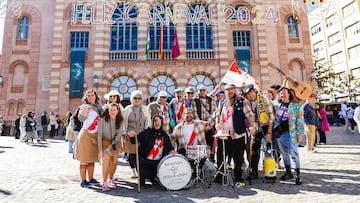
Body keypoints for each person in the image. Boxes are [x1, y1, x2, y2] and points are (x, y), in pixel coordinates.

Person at [215, 84, 255, 187]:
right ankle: (221, 176)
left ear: (235, 90)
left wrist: (252, 126)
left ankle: (238, 177)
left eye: (232, 89)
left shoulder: (242, 101)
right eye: (228, 90)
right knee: (221, 156)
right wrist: (218, 125)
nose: (230, 91)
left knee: (238, 158)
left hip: (238, 134)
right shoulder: (222, 102)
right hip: (225, 134)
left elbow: (250, 115)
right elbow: (219, 116)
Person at [129, 114, 175, 188]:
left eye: (159, 121)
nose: (157, 123)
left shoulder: (164, 135)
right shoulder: (146, 132)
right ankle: (142, 180)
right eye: (155, 121)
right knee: (135, 158)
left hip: (158, 162)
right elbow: (135, 140)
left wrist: (172, 151)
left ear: (162, 122)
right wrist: (131, 136)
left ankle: (154, 178)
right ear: (152, 122)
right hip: (146, 160)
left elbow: (169, 147)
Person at [242, 84, 275, 180]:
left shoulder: (264, 100)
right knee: (253, 151)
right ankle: (254, 171)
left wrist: (269, 133)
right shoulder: (247, 103)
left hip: (266, 127)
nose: (250, 95)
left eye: (251, 93)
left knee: (268, 150)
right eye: (248, 94)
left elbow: (271, 118)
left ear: (255, 92)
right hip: (255, 128)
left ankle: (269, 171)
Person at [273, 87, 305, 185]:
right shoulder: (277, 105)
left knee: (294, 154)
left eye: (284, 93)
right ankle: (288, 172)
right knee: (284, 153)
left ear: (289, 94)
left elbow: (300, 121)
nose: (282, 95)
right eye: (281, 93)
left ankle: (298, 175)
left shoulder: (295, 106)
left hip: (291, 134)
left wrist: (300, 134)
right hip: (280, 134)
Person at [74, 89, 103, 188]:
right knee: (84, 159)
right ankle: (83, 180)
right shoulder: (84, 106)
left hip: (95, 135)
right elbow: (81, 118)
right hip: (86, 135)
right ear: (86, 97)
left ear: (95, 96)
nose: (90, 97)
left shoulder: (98, 107)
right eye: (88, 95)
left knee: (91, 159)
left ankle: (91, 179)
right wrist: (86, 108)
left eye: (92, 95)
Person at [122, 90, 151, 179]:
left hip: (142, 135)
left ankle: (141, 173)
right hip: (130, 135)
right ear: (132, 99)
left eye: (139, 98)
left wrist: (147, 134)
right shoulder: (127, 109)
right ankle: (133, 172)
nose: (137, 100)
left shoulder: (145, 109)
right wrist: (125, 133)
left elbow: (148, 122)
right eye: (135, 98)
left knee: (141, 154)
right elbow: (123, 122)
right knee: (132, 155)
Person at [97, 103, 124, 191]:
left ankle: (110, 178)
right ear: (108, 110)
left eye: (114, 110)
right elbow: (99, 135)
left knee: (114, 161)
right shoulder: (102, 120)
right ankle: (104, 182)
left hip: (115, 143)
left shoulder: (120, 120)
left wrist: (110, 147)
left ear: (118, 111)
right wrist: (101, 150)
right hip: (105, 142)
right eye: (110, 110)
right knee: (107, 159)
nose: (112, 112)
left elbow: (118, 135)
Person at [193, 85, 217, 162]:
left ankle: (211, 158)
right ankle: (202, 159)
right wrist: (200, 123)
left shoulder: (211, 100)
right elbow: (195, 113)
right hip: (200, 126)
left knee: (211, 141)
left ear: (206, 91)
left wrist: (209, 123)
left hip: (210, 125)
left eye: (203, 90)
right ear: (198, 92)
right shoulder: (195, 100)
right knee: (201, 142)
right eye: (200, 90)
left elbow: (214, 112)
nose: (202, 92)